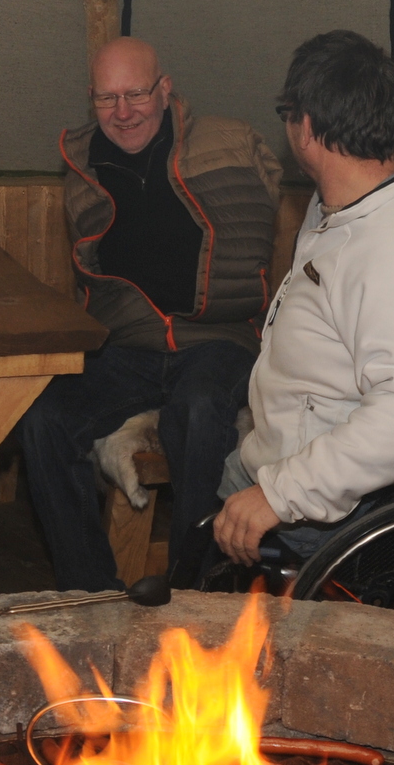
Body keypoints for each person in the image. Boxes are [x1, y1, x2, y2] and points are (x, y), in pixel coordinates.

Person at [19, 37, 281, 592]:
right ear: (91, 100)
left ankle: (195, 583)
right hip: (129, 346)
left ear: (165, 90)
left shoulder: (225, 143)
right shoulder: (84, 165)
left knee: (200, 407)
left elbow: (270, 197)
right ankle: (87, 590)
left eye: (136, 93)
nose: (122, 112)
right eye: (106, 99)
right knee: (44, 417)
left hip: (217, 339)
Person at [213, 30, 394, 567]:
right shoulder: (341, 205)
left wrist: (279, 493)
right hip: (284, 459)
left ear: (306, 125)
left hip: (345, 506)